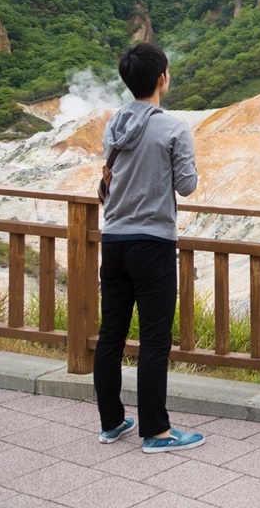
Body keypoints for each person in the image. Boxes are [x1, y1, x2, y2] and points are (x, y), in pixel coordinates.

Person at [94, 42, 205, 453]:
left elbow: (110, 176)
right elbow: (187, 186)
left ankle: (111, 423)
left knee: (111, 336)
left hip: (114, 240)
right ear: (162, 78)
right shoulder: (173, 127)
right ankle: (156, 432)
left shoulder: (114, 124)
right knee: (154, 339)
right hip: (154, 242)